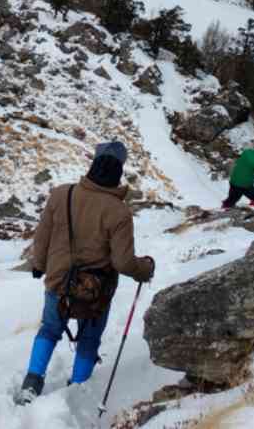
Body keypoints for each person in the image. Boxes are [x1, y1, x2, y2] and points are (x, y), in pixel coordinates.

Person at [16, 141, 155, 405]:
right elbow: (124, 262)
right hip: (95, 291)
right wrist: (145, 269)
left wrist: (39, 264)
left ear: (93, 162)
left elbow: (42, 236)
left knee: (49, 330)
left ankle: (32, 383)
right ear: (119, 170)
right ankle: (76, 391)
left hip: (58, 281)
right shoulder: (119, 212)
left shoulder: (61, 195)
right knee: (89, 339)